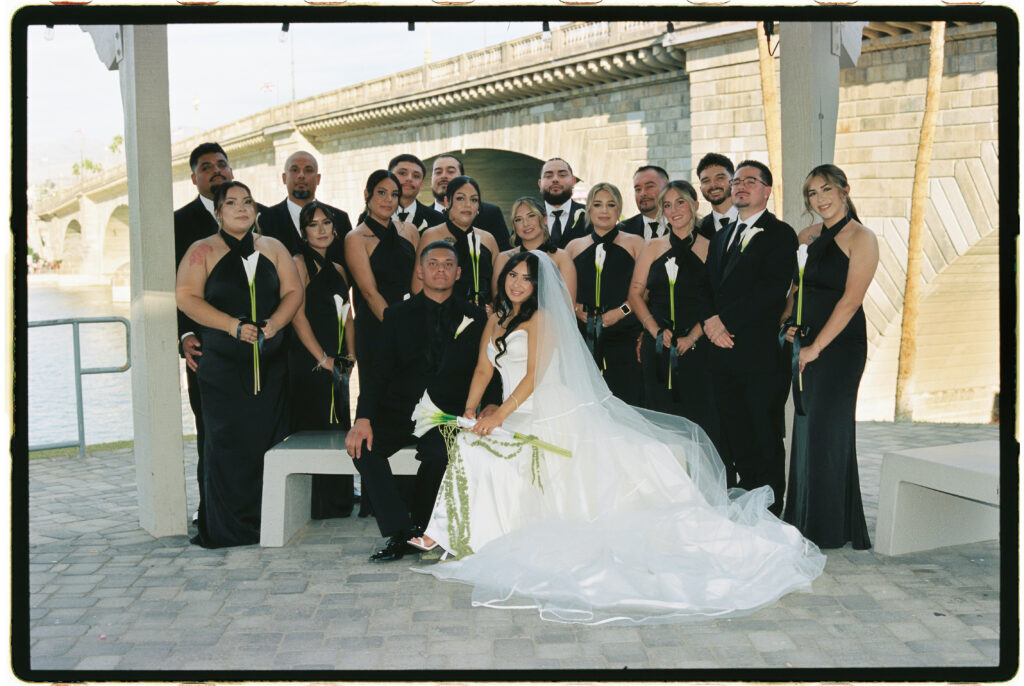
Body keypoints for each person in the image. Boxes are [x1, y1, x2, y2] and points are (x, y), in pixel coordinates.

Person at [411, 251, 825, 624]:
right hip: (514, 414)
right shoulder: (496, 318)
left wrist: (499, 414)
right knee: (470, 441)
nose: (517, 283)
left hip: (545, 412)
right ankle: (451, 533)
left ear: (539, 286)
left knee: (489, 446)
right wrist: (470, 409)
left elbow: (535, 377)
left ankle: (452, 532)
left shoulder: (543, 320)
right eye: (512, 275)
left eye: (526, 278)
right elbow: (484, 371)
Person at [346, 241, 500, 561]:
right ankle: (401, 531)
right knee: (364, 448)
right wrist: (363, 418)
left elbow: (488, 366)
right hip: (399, 411)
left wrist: (492, 402)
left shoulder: (475, 316)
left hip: (446, 414)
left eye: (447, 264)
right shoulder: (396, 315)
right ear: (420, 271)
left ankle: (421, 528)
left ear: (458, 273)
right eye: (433, 264)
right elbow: (377, 374)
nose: (440, 269)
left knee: (439, 454)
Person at [175, 180, 302, 548]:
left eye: (247, 201)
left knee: (269, 440)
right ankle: (229, 529)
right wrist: (233, 326)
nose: (242, 208)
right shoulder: (202, 251)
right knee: (227, 446)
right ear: (218, 212)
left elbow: (294, 291)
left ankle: (272, 523)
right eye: (231, 203)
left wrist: (276, 324)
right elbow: (185, 297)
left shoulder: (273, 247)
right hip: (223, 368)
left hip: (272, 365)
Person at [781, 164, 878, 549]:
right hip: (804, 341)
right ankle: (805, 519)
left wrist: (816, 347)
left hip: (839, 347)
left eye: (825, 190)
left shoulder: (862, 238)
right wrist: (787, 322)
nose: (819, 199)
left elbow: (851, 300)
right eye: (811, 194)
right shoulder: (806, 237)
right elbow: (794, 290)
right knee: (806, 428)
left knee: (827, 429)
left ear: (844, 191)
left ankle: (827, 528)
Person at [699, 160, 797, 516]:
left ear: (766, 191)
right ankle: (745, 507)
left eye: (750, 181)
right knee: (734, 433)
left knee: (763, 435)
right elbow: (706, 285)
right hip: (721, 354)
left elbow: (771, 291)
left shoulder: (780, 234)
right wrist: (710, 322)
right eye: (737, 181)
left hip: (757, 356)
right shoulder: (722, 235)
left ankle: (771, 512)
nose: (740, 186)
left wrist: (723, 321)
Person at [629, 181, 718, 445]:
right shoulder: (652, 246)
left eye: (680, 202)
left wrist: (692, 337)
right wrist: (655, 331)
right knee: (660, 418)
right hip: (657, 346)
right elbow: (635, 294)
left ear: (694, 205)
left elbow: (716, 301)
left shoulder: (712, 247)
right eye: (667, 205)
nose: (674, 210)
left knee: (701, 416)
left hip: (698, 347)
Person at [287, 201, 358, 519]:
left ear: (335, 227)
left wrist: (350, 355)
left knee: (338, 423)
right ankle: (315, 504)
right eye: (313, 225)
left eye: (326, 223)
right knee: (315, 424)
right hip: (309, 358)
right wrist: (323, 358)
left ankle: (337, 501)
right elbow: (296, 315)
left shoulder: (340, 269)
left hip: (338, 357)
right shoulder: (298, 263)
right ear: (303, 232)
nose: (321, 229)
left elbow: (349, 315)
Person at [566, 183, 644, 406]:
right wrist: (577, 309)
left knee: (626, 402)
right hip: (583, 340)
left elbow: (645, 290)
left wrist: (621, 312)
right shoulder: (573, 247)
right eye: (598, 204)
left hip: (625, 339)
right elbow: (564, 292)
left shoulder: (635, 243)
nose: (604, 210)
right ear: (589, 209)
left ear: (619, 210)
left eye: (611, 205)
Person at [344, 170, 420, 373]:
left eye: (394, 194)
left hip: (410, 321)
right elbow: (369, 292)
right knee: (376, 394)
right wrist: (396, 330)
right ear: (367, 194)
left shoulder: (410, 231)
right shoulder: (355, 238)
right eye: (382, 193)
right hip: (375, 325)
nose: (389, 200)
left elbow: (418, 282)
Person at [259, 150, 352, 265]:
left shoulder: (340, 218)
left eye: (308, 170)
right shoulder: (266, 220)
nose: (301, 175)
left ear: (318, 179)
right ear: (284, 178)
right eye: (294, 170)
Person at [417, 176, 499, 308]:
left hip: (482, 319)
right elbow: (417, 287)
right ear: (447, 202)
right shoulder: (430, 236)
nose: (468, 205)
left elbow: (498, 291)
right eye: (460, 198)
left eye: (474, 200)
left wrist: (492, 309)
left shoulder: (488, 239)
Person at [493, 196, 576, 302]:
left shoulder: (561, 258)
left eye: (531, 216)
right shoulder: (503, 258)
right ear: (514, 226)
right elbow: (498, 303)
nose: (526, 224)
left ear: (545, 219)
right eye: (518, 219)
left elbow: (569, 306)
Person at [430, 154, 511, 251]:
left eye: (450, 171)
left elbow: (505, 255)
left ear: (462, 177)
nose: (443, 176)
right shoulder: (421, 217)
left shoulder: (491, 214)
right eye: (438, 172)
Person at [538, 158, 588, 247]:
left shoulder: (589, 215)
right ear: (540, 184)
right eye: (548, 176)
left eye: (562, 175)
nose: (555, 179)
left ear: (573, 181)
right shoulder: (528, 217)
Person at [389, 153, 445, 231]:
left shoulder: (439, 221)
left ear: (421, 184)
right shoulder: (373, 215)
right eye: (402, 173)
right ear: (389, 178)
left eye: (416, 176)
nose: (409, 179)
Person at [695, 153, 737, 240]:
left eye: (720, 178)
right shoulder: (697, 230)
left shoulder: (756, 220)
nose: (713, 185)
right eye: (706, 181)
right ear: (700, 188)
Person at [621, 165, 669, 239]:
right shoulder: (622, 231)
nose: (643, 193)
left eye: (649, 187)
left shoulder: (686, 227)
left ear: (667, 187)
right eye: (638, 189)